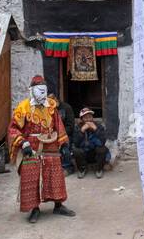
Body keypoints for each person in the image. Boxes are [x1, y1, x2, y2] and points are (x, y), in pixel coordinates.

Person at [8, 75, 72, 223]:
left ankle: (58, 204)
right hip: (30, 145)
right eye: (39, 91)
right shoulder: (23, 108)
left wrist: (64, 144)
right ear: (32, 91)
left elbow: (58, 124)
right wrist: (23, 143)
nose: (42, 95)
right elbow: (13, 128)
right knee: (31, 176)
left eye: (44, 91)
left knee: (55, 174)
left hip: (51, 143)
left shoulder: (51, 106)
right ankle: (34, 208)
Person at [72, 107, 109, 179]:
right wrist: (82, 131)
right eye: (85, 118)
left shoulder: (98, 126)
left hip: (95, 154)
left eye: (90, 117)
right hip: (84, 154)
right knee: (76, 150)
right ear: (81, 119)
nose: (88, 120)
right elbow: (76, 143)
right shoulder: (78, 127)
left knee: (102, 149)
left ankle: (99, 169)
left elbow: (103, 142)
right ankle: (82, 169)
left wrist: (95, 129)